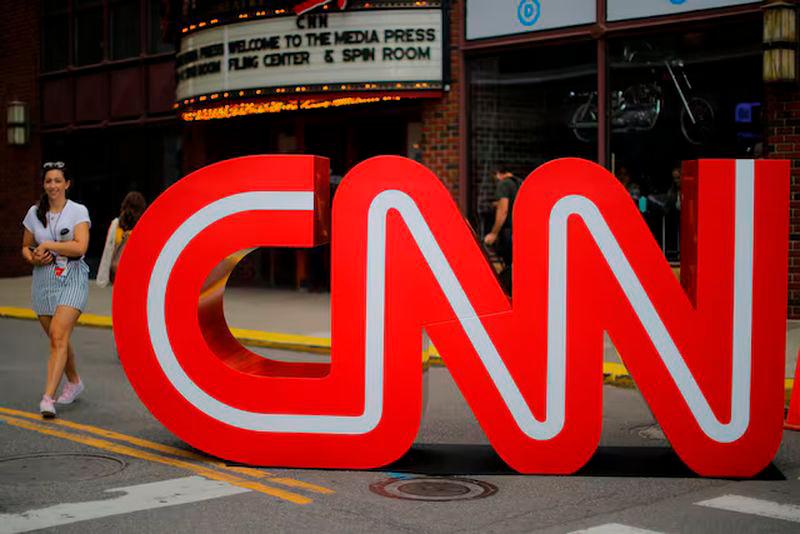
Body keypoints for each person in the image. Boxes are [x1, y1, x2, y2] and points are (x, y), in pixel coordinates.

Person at [21, 161, 91, 418]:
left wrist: (50, 244)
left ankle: (47, 398)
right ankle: (74, 382)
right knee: (57, 338)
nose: (53, 185)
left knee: (58, 336)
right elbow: (25, 247)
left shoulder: (77, 211)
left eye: (57, 181)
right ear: (44, 184)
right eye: (48, 181)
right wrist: (33, 258)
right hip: (43, 280)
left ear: (67, 184)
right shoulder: (34, 212)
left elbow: (80, 247)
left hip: (72, 277)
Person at [96, 192, 146, 288]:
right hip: (136, 272)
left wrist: (103, 275)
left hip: (117, 271)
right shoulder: (143, 225)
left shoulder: (116, 223)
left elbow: (108, 249)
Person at [483, 167, 520, 291]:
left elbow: (503, 210)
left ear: (498, 174)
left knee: (508, 267)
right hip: (521, 232)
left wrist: (493, 233)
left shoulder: (503, 184)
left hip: (509, 232)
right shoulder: (520, 183)